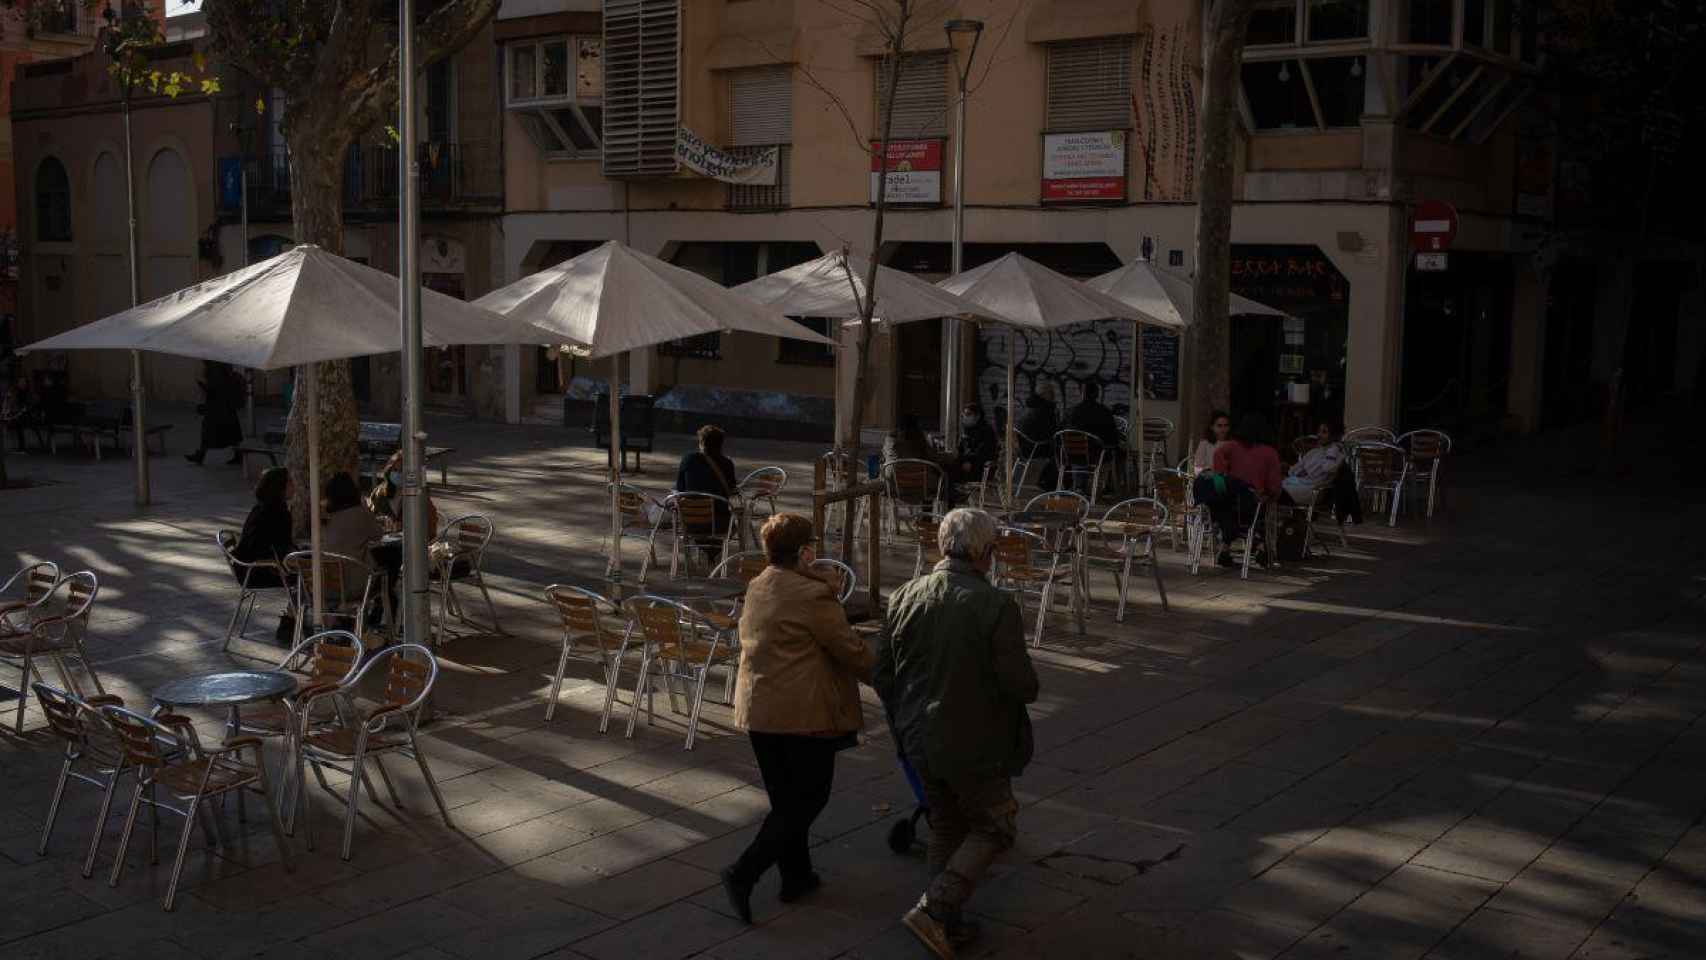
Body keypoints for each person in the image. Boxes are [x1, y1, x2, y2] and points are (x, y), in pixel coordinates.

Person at [876, 508, 1039, 957]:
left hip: (917, 734)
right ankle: (937, 907)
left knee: (946, 822)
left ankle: (945, 918)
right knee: (995, 826)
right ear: (987, 553)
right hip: (975, 741)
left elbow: (883, 675)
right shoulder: (995, 605)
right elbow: (1021, 685)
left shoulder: (904, 595)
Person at [720, 514, 874, 923]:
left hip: (759, 712)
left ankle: (797, 876)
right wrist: (889, 675)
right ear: (805, 552)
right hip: (803, 715)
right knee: (807, 800)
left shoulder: (758, 585)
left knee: (786, 801)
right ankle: (743, 872)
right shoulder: (812, 596)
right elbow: (850, 649)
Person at [1194, 413, 1284, 568]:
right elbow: (1274, 484)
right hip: (1250, 501)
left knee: (1229, 511)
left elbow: (1218, 454)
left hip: (1229, 499)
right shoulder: (1270, 453)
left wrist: (1221, 475)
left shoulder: (1232, 446)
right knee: (1260, 511)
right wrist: (1272, 494)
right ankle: (1261, 546)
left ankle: (1226, 548)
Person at [233, 466, 298, 643]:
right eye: (290, 482)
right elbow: (281, 549)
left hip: (245, 567)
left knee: (304, 572)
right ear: (281, 487)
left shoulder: (262, 507)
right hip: (257, 570)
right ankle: (291, 625)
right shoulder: (277, 512)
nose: (294, 486)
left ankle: (292, 622)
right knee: (307, 578)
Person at [1282, 422, 1362, 524]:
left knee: (1270, 493)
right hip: (1299, 485)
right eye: (1319, 431)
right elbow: (1293, 470)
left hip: (1312, 491)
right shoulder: (1314, 452)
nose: (1319, 435)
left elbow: (1327, 468)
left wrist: (1334, 449)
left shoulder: (1335, 453)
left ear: (1334, 435)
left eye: (1324, 432)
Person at [675, 424, 739, 542]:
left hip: (691, 523)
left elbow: (680, 489)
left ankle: (705, 555)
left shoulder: (688, 460)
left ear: (701, 442)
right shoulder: (727, 464)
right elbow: (732, 491)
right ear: (721, 445)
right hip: (720, 525)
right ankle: (715, 557)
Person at [186, 361, 246, 465]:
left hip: (218, 405)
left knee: (209, 430)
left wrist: (203, 386)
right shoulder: (219, 364)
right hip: (224, 405)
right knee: (231, 430)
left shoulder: (215, 366)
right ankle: (238, 455)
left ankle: (201, 455)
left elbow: (216, 387)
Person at [1015, 385, 1060, 490]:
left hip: (1023, 449)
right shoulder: (1046, 410)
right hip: (1035, 449)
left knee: (1057, 451)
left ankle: (1045, 482)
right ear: (1044, 395)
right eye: (1051, 393)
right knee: (1060, 454)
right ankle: (1049, 485)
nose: (1054, 396)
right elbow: (1051, 432)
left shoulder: (1029, 406)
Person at [955, 403, 998, 481]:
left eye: (968, 414)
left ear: (977, 416)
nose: (965, 417)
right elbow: (961, 449)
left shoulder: (986, 431)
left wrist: (970, 462)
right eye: (963, 415)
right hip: (965, 464)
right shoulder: (967, 430)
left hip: (979, 467)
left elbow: (984, 453)